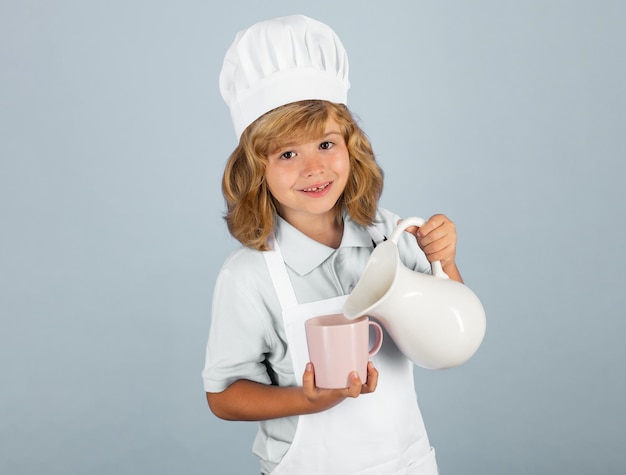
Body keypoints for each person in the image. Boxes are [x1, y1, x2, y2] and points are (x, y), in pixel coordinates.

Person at [202, 14, 463, 474]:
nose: (313, 168)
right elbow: (223, 397)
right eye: (287, 154)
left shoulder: (390, 233)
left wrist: (444, 262)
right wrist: (304, 399)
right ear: (253, 170)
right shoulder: (249, 277)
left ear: (351, 146)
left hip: (406, 464)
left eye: (325, 144)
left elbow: (446, 344)